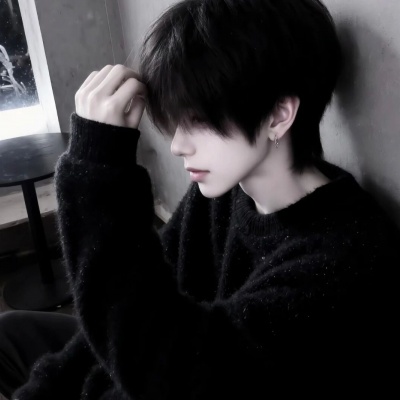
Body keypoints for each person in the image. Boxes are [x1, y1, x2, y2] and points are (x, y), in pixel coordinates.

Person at [0, 0, 398, 398]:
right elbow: (132, 301)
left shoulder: (345, 260)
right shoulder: (227, 191)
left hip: (178, 376)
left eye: (199, 120)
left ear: (278, 116)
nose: (177, 145)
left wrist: (97, 172)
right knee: (11, 333)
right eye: (177, 118)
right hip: (160, 355)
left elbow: (171, 372)